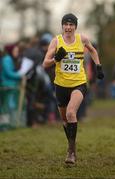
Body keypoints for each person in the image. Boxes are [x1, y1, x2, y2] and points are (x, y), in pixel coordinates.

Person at [42, 13, 104, 164]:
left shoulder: (81, 39)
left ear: (75, 27)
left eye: (71, 25)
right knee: (64, 120)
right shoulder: (56, 41)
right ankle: (72, 146)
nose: (68, 27)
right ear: (62, 26)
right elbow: (45, 63)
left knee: (71, 113)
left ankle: (70, 153)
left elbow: (93, 50)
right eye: (66, 24)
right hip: (61, 85)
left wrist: (98, 67)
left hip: (79, 83)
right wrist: (56, 58)